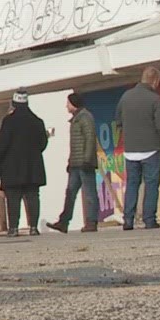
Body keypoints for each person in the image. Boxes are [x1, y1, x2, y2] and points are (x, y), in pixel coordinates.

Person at [118, 66, 160, 230]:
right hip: (151, 149)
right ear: (155, 81)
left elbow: (118, 121)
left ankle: (128, 220)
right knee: (151, 184)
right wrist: (158, 142)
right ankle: (149, 219)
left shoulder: (125, 97)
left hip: (130, 150)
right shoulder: (155, 99)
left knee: (132, 184)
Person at [0, 91, 48, 237]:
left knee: (13, 198)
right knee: (33, 196)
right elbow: (43, 143)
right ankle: (34, 227)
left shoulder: (8, 121)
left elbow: (1, 145)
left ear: (14, 103)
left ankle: (13, 228)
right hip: (33, 166)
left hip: (12, 167)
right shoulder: (37, 121)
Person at [46, 92, 100, 234]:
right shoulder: (77, 119)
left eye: (68, 103)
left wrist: (87, 160)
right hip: (76, 163)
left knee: (89, 193)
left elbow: (90, 139)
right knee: (70, 193)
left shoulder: (85, 117)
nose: (66, 106)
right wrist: (70, 163)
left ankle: (91, 222)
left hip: (84, 163)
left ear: (74, 103)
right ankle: (64, 222)